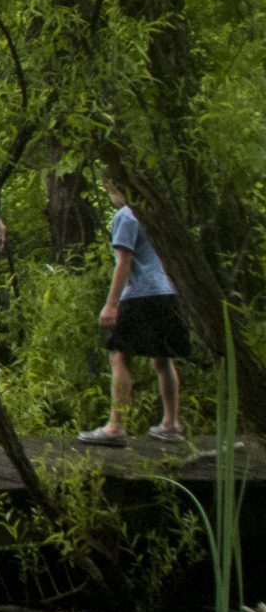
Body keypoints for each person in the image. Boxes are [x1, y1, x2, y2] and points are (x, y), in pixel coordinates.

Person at [76, 180, 191, 446]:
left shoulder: (126, 215)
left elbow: (124, 262)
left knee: (119, 356)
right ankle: (171, 423)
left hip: (140, 293)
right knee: (162, 359)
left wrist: (112, 303)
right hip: (167, 291)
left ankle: (116, 426)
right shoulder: (156, 214)